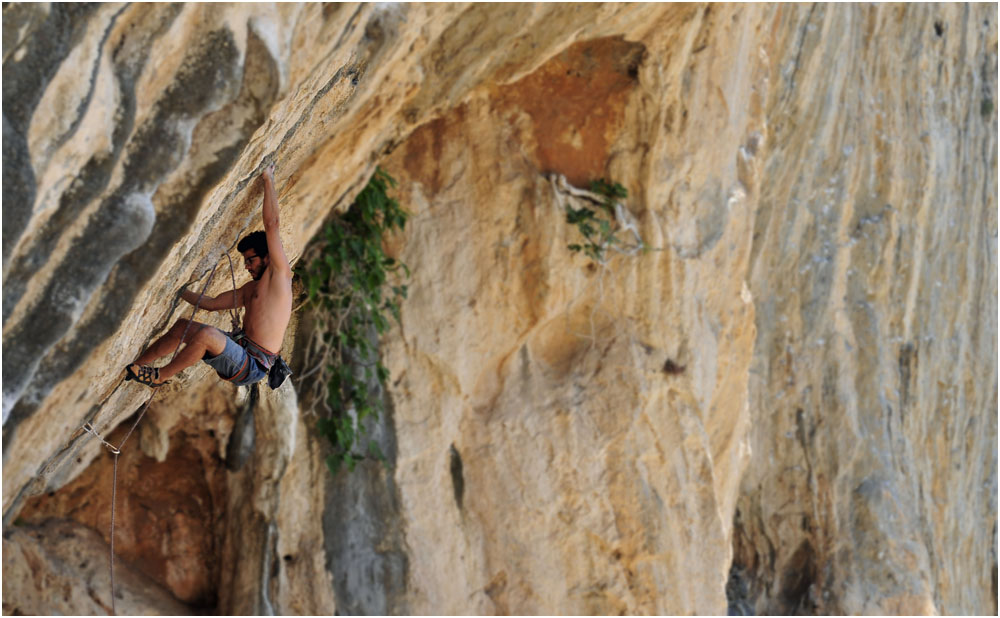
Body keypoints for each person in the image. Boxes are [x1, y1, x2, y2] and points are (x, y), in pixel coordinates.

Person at [125, 163, 292, 387]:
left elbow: (273, 225)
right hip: (239, 351)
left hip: (252, 367)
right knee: (183, 327)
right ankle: (137, 366)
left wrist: (268, 179)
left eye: (250, 260)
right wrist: (178, 290)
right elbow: (211, 304)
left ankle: (161, 376)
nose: (246, 267)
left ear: (267, 258)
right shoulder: (250, 290)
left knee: (207, 335)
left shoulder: (280, 277)